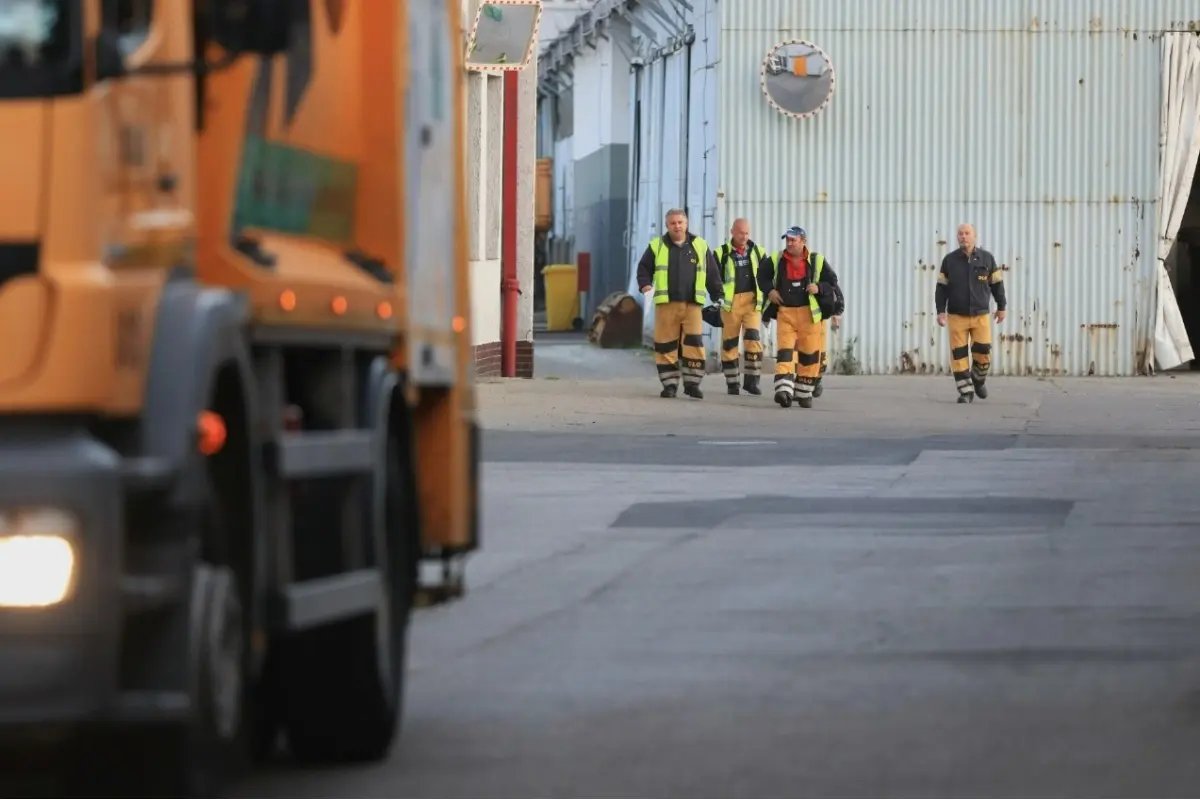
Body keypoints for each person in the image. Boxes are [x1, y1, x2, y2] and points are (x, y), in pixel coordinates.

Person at [636, 208, 723, 399]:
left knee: (694, 344)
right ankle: (670, 385)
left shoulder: (700, 246)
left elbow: (712, 273)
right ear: (667, 226)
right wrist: (645, 285)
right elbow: (643, 268)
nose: (677, 226)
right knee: (666, 345)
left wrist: (718, 295)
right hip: (666, 305)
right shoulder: (656, 246)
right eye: (673, 223)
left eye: (680, 222)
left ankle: (693, 384)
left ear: (686, 224)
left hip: (692, 306)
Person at [758, 226, 840, 408]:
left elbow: (832, 282)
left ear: (803, 241)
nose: (789, 243)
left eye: (793, 239)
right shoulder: (776, 259)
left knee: (809, 356)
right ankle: (783, 391)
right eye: (787, 239)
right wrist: (769, 291)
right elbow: (761, 276)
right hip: (785, 313)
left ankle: (804, 393)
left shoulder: (816, 260)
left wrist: (819, 288)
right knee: (785, 353)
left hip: (809, 316)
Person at [935, 222, 1007, 403]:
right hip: (956, 315)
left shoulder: (987, 259)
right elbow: (941, 288)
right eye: (960, 233)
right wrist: (940, 311)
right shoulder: (949, 260)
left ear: (974, 236)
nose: (963, 236)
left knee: (983, 351)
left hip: (980, 315)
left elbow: (997, 284)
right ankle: (965, 392)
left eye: (967, 233)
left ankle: (978, 378)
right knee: (958, 354)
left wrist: (1001, 307)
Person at [713, 218, 768, 395]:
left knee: (753, 340)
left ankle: (751, 382)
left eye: (746, 233)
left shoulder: (758, 252)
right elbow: (713, 278)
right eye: (740, 233)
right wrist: (717, 297)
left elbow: (767, 277)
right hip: (731, 304)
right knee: (729, 343)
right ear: (732, 232)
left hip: (752, 302)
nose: (744, 236)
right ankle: (732, 383)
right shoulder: (721, 253)